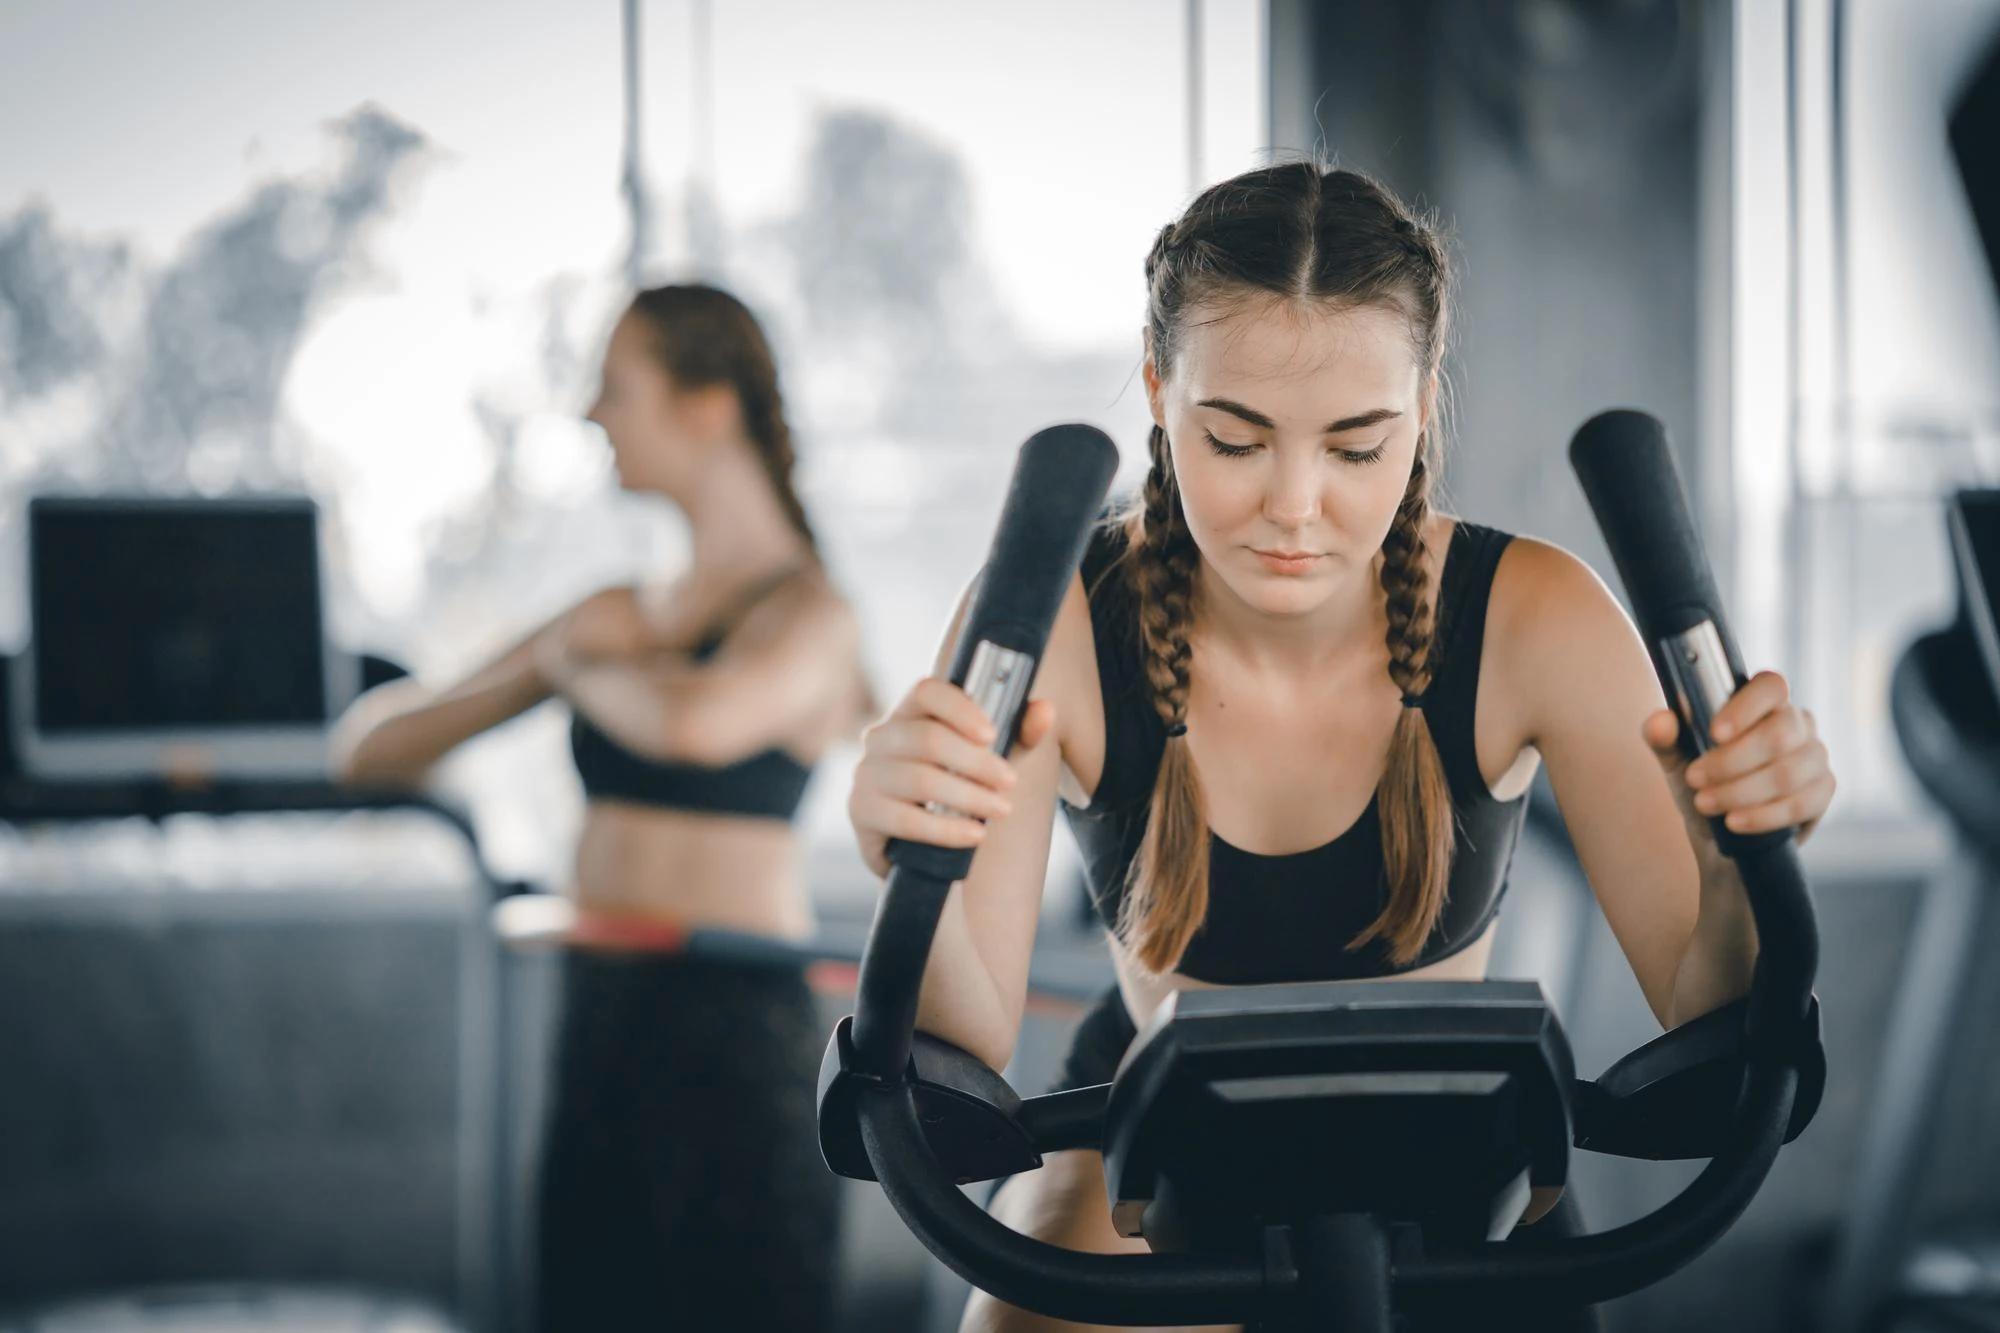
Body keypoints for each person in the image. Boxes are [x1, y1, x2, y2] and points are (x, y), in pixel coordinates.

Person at [845, 162, 1837, 1333]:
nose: (1294, 505)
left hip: (1449, 1153)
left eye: (1356, 447)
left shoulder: (1535, 615)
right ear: (1160, 392)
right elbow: (963, 1040)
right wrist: (908, 861)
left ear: (1420, 408)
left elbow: (1708, 1013)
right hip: (1153, 1146)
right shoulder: (1056, 614)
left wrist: (1740, 860)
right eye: (1234, 439)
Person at [332, 284, 869, 1332]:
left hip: (738, 1042)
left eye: (613, 386)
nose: (589, 414)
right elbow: (371, 750)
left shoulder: (814, 616)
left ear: (708, 403)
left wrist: (572, 664)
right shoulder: (614, 619)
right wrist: (574, 654)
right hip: (600, 1027)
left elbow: (696, 727)